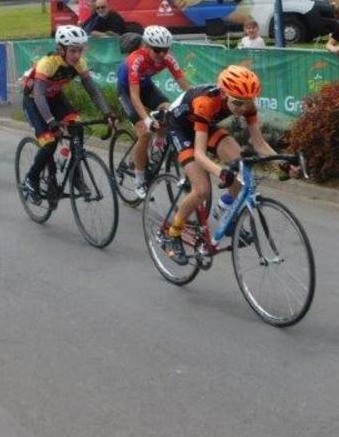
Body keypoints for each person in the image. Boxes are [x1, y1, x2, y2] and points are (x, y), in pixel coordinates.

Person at [156, 66, 297, 265]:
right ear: (224, 94)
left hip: (203, 125)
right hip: (180, 128)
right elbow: (199, 154)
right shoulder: (205, 102)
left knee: (242, 168)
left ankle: (225, 209)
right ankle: (172, 234)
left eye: (247, 103)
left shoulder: (246, 104)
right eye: (237, 103)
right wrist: (220, 172)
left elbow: (259, 143)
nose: (243, 108)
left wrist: (282, 163)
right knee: (202, 190)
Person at [19, 24, 114, 201]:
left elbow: (92, 90)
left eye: (80, 50)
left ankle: (75, 176)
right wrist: (50, 121)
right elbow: (39, 95)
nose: (77, 55)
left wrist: (107, 112)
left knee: (77, 127)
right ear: (61, 50)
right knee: (49, 143)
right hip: (34, 100)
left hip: (55, 97)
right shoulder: (48, 63)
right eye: (72, 51)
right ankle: (31, 178)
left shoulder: (79, 63)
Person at [115, 25, 191, 199]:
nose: (162, 54)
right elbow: (135, 97)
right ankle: (139, 180)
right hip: (127, 91)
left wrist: (197, 100)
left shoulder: (167, 58)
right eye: (157, 50)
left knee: (169, 110)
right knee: (144, 132)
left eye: (166, 49)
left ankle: (158, 145)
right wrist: (147, 120)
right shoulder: (136, 60)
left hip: (147, 87)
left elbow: (184, 84)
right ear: (146, 46)